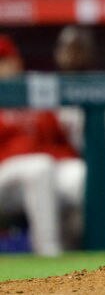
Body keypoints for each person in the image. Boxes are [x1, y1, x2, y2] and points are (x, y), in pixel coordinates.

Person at [0, 34, 81, 256]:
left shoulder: (34, 90)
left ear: (16, 61)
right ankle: (48, 251)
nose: (2, 67)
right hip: (5, 177)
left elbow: (58, 139)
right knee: (40, 166)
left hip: (41, 172)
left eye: (4, 60)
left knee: (83, 175)